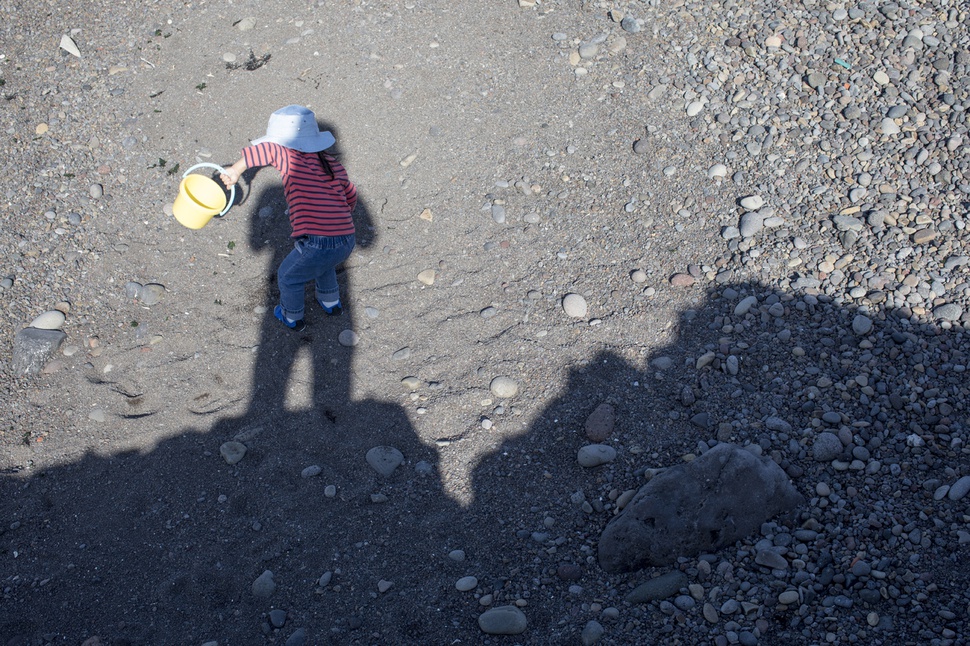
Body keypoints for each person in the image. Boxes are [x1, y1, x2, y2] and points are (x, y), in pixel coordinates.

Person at [220, 105, 357, 331]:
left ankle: (292, 316)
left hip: (318, 241)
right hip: (346, 236)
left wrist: (235, 170)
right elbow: (350, 194)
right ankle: (331, 302)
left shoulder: (288, 155)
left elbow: (264, 150)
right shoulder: (332, 163)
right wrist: (337, 218)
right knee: (326, 265)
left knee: (288, 276)